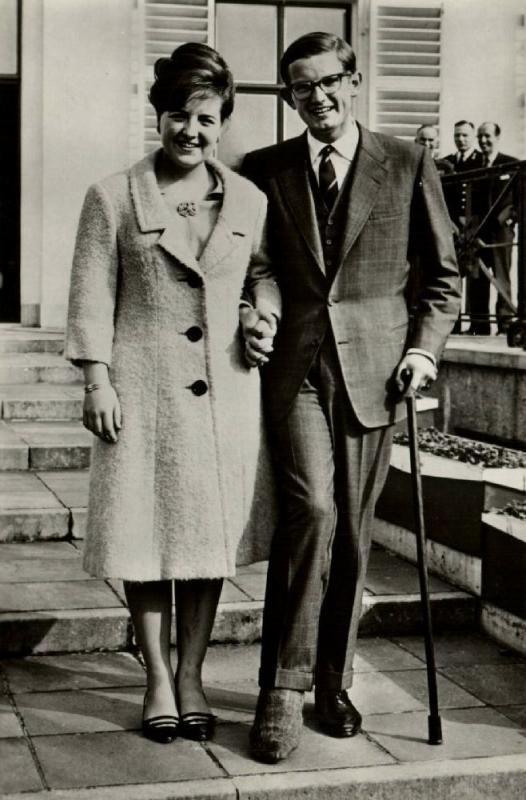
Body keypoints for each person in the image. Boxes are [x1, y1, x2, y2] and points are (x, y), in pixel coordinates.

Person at [241, 31, 460, 764]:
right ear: (289, 96)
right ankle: (281, 687)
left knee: (352, 535)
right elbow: (260, 264)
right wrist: (258, 308)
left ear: (355, 79)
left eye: (330, 82)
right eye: (302, 88)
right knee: (312, 510)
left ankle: (332, 681)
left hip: (378, 374)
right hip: (296, 370)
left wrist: (423, 349)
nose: (318, 98)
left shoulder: (406, 162)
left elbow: (441, 277)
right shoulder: (266, 169)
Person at [66, 43, 280, 745]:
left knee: (207, 544)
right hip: (142, 391)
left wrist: (261, 315)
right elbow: (92, 293)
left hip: (226, 397)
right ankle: (157, 676)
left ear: (223, 121)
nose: (193, 131)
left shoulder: (248, 197)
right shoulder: (112, 196)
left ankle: (193, 673)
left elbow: (262, 275)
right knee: (144, 539)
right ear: (157, 117)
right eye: (178, 116)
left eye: (207, 118)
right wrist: (96, 377)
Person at [465, 121, 518, 334]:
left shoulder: (511, 164)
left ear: (497, 137)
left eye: (487, 136)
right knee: (477, 276)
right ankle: (479, 324)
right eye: (480, 137)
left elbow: (520, 198)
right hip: (478, 229)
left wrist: (510, 219)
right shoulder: (474, 166)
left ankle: (505, 323)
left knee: (501, 275)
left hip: (500, 231)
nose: (483, 141)